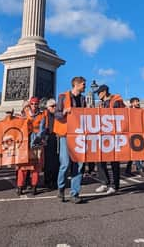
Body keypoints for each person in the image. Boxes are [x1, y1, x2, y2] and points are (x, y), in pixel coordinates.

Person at [54, 76, 87, 204]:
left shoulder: (83, 99)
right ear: (76, 84)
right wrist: (64, 112)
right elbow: (56, 114)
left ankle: (75, 193)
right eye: (83, 84)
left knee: (79, 165)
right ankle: (61, 188)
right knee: (65, 164)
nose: (85, 86)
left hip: (79, 135)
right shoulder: (63, 96)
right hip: (65, 134)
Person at [94, 85, 124, 195]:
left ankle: (115, 185)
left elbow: (119, 114)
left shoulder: (116, 100)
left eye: (99, 93)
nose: (98, 95)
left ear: (104, 92)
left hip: (114, 134)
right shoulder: (100, 104)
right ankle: (104, 182)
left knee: (114, 161)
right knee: (99, 159)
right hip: (102, 134)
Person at [17, 97, 44, 195]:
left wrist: (38, 138)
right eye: (32, 104)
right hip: (25, 142)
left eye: (36, 104)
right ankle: (20, 186)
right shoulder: (24, 115)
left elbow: (42, 129)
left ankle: (34, 186)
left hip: (36, 142)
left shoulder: (41, 116)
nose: (34, 106)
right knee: (22, 166)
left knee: (35, 166)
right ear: (29, 105)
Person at [39, 98, 59, 190]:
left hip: (56, 138)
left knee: (56, 162)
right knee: (47, 162)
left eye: (55, 105)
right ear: (47, 107)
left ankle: (55, 181)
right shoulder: (44, 115)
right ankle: (47, 181)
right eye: (52, 106)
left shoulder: (58, 115)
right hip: (48, 138)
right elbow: (41, 128)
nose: (54, 107)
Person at [125, 97, 144, 177]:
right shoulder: (128, 111)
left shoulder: (141, 110)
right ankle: (140, 170)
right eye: (136, 101)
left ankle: (128, 170)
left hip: (140, 133)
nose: (137, 103)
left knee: (135, 153)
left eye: (138, 101)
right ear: (132, 103)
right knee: (136, 152)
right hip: (131, 133)